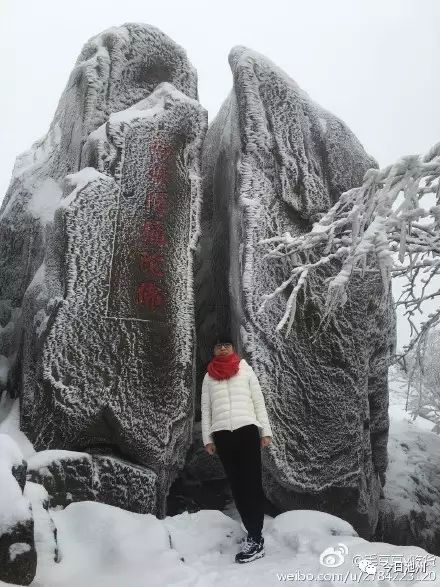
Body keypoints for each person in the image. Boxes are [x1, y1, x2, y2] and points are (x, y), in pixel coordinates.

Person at [200, 335, 273, 564]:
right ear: (214, 350)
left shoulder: (245, 369)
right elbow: (206, 408)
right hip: (222, 435)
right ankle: (252, 533)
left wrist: (266, 431)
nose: (222, 348)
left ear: (232, 348)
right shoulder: (209, 376)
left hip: (247, 430)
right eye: (218, 345)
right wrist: (207, 439)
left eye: (226, 345)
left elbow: (258, 400)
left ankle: (256, 536)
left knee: (252, 483)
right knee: (238, 486)